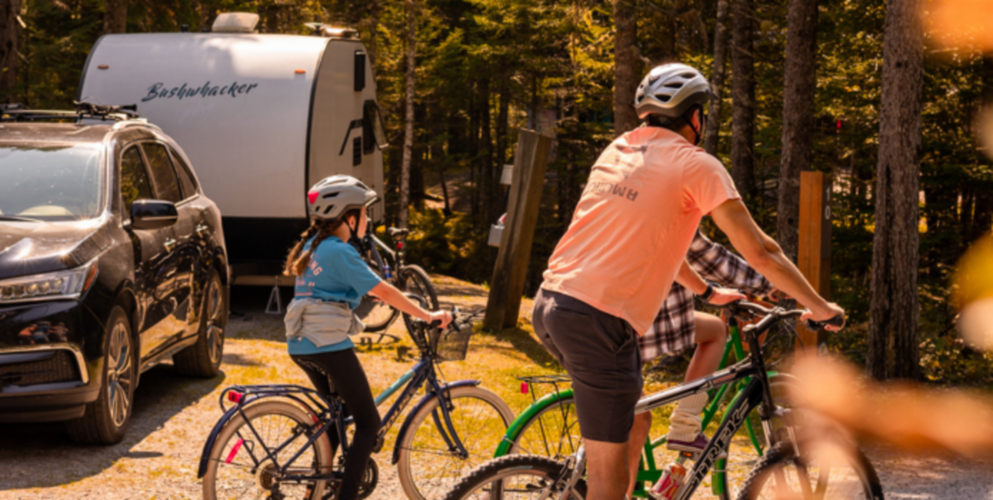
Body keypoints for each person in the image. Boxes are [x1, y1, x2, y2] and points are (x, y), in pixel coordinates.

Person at [531, 62, 844, 500]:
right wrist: (820, 306)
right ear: (696, 116)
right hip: (598, 320)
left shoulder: (619, 148)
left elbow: (664, 246)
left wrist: (709, 292)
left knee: (631, 419)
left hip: (550, 305)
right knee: (609, 482)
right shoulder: (696, 164)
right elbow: (762, 251)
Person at [282, 175, 452, 500]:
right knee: (368, 423)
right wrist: (428, 315)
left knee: (338, 414)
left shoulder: (312, 246)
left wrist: (365, 294)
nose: (367, 219)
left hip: (302, 345)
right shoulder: (341, 251)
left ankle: (315, 488)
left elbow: (325, 289)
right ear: (348, 217)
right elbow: (386, 290)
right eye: (363, 212)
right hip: (327, 345)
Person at [625, 230, 775, 497]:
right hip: (626, 313)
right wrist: (768, 283)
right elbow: (708, 257)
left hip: (591, 304)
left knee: (637, 416)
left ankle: (683, 426)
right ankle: (684, 424)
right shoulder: (672, 208)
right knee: (716, 331)